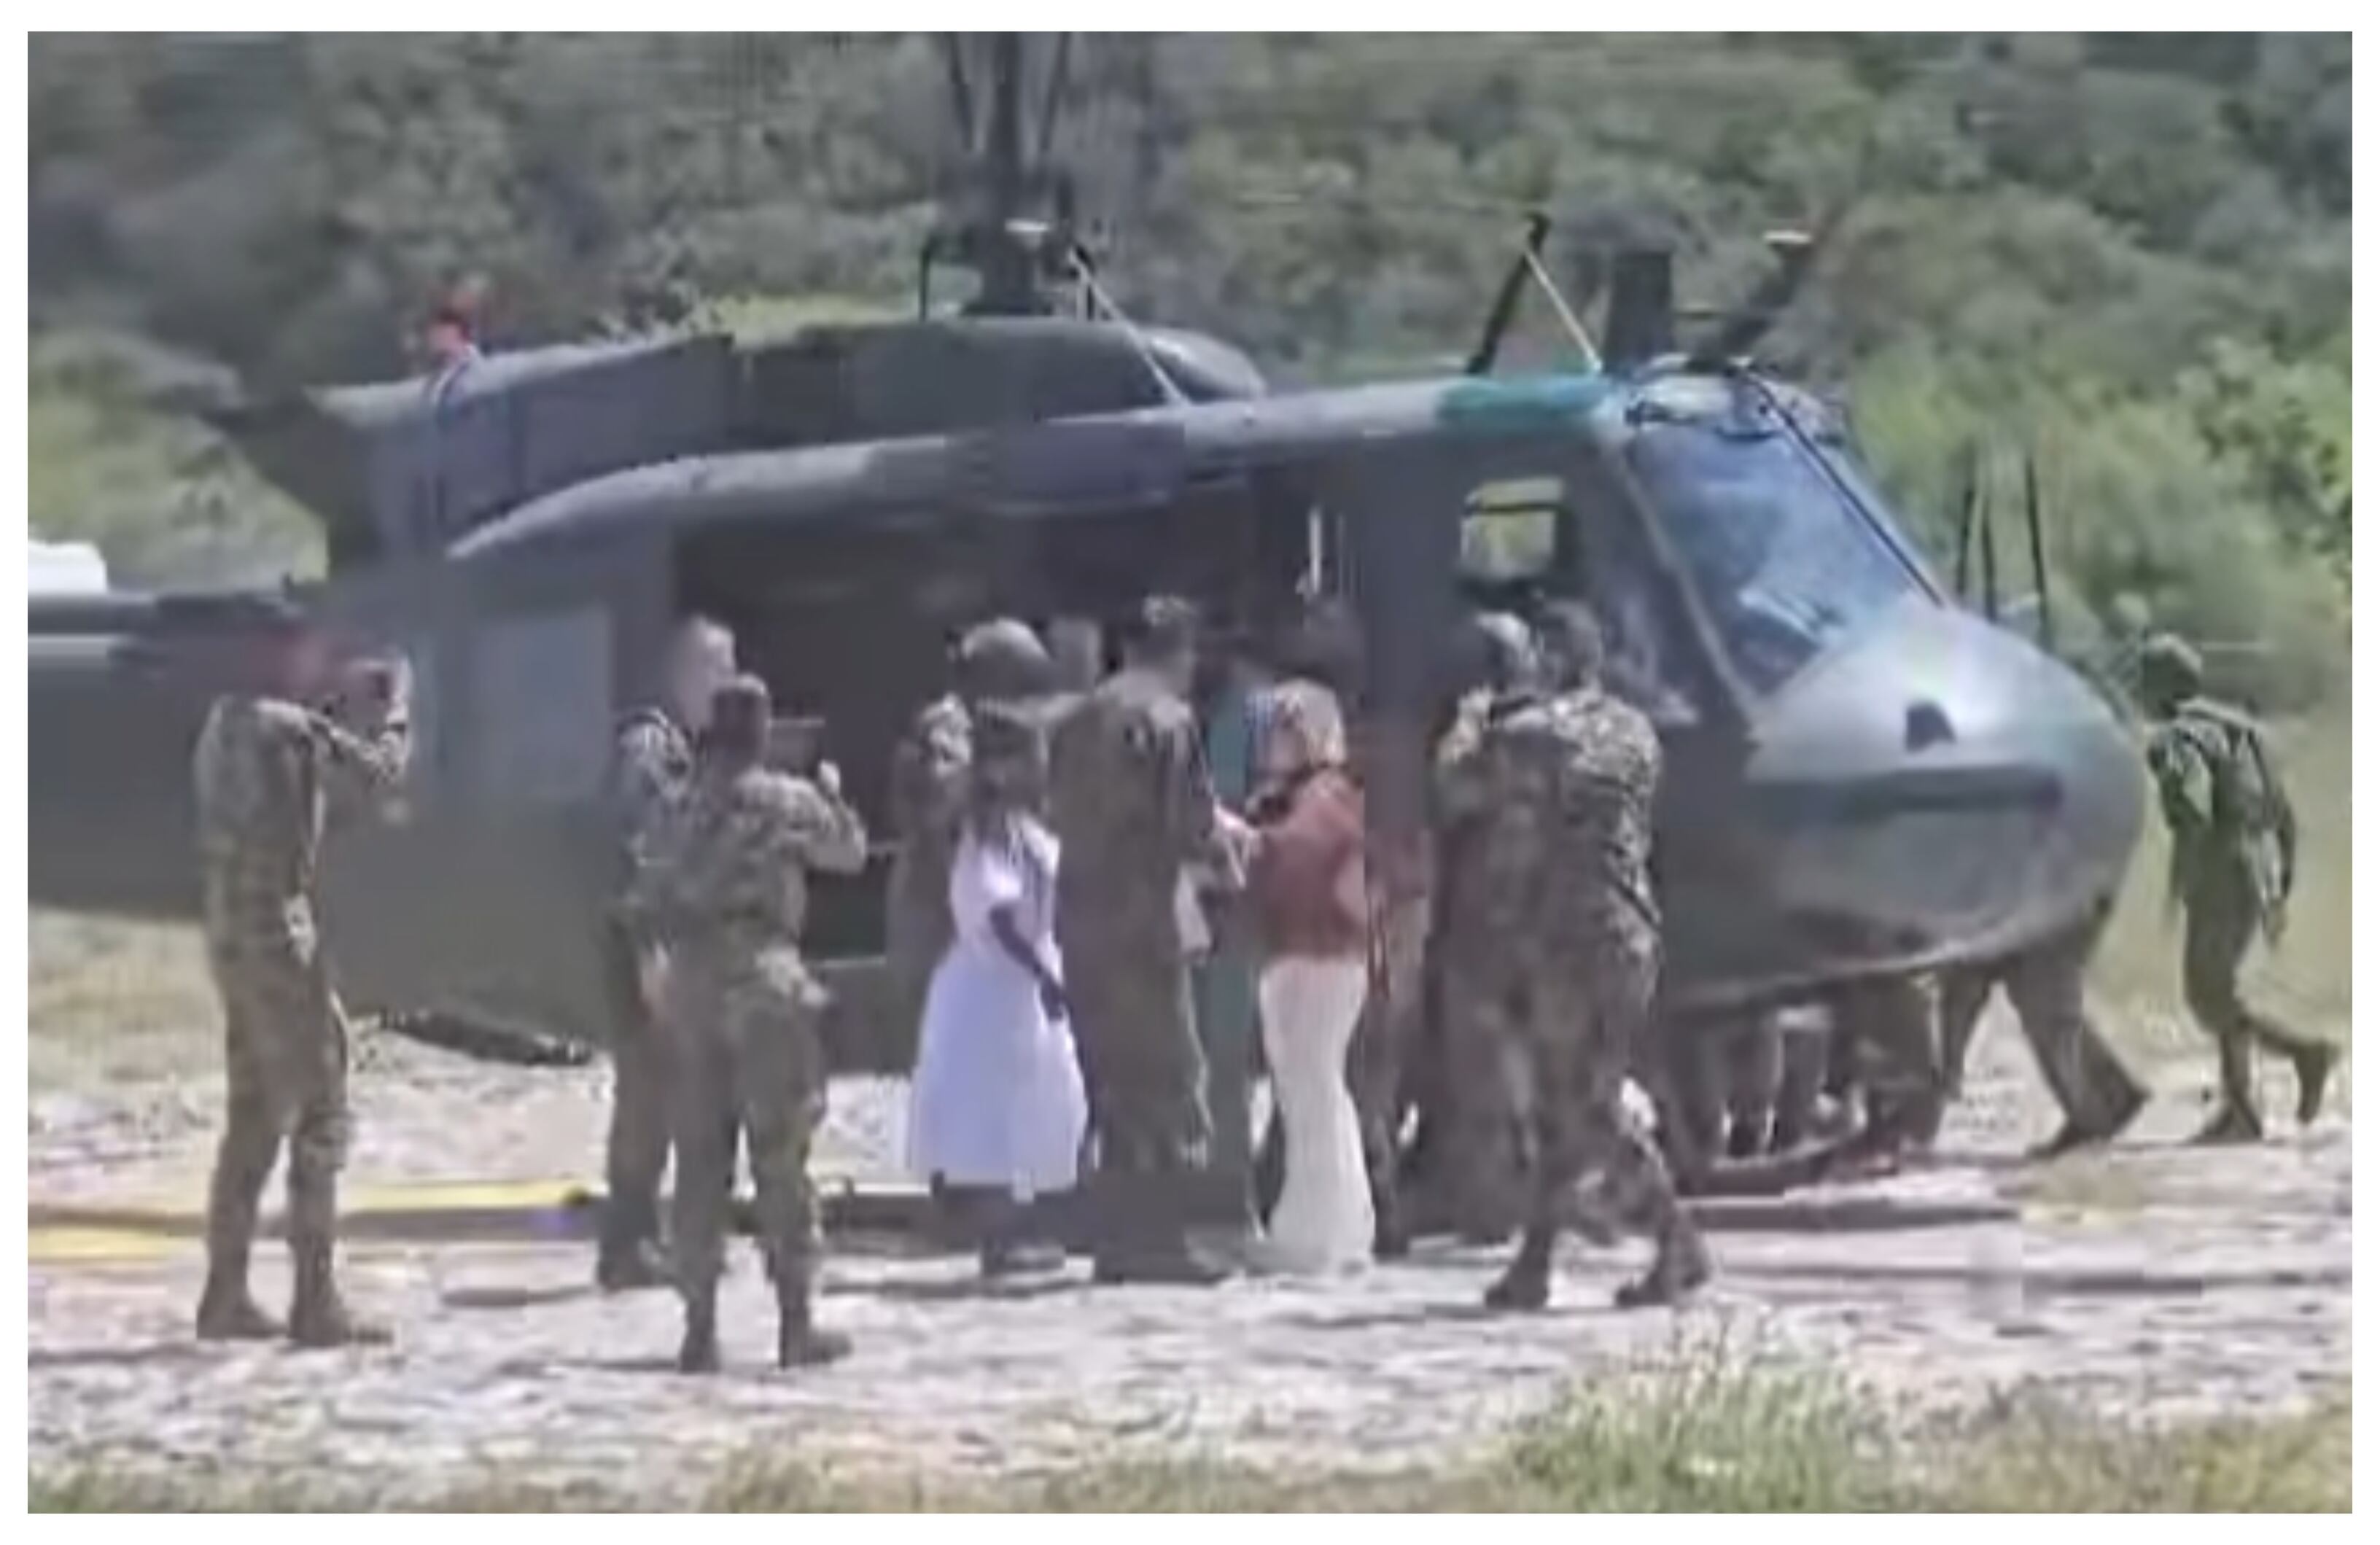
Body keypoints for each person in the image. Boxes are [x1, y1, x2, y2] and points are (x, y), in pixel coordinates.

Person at [1473, 600, 1709, 1312]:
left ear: (1550, 659)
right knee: (1565, 1096)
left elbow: (1481, 800)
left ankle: (1679, 1241)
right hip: (1632, 929)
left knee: (1585, 1102)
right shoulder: (1637, 731)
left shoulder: (1534, 733)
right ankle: (1536, 1260)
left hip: (1568, 934)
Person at [631, 675, 869, 1373]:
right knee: (779, 1152)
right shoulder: (784, 799)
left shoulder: (676, 806)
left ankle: (698, 1327)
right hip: (764, 977)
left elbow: (642, 894)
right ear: (762, 732)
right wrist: (827, 787)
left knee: (700, 1155)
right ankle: (796, 1321)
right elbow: (849, 851)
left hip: (693, 981)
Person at [192, 613, 412, 1346]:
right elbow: (380, 774)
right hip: (279, 935)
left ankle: (224, 1294)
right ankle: (315, 1302)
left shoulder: (223, 726)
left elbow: (300, 809)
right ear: (281, 653)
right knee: (322, 1107)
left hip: (230, 934)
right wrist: (395, 707)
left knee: (253, 1113)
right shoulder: (288, 729)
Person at [1050, 595, 1249, 1285]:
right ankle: (1160, 1238)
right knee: (1167, 1076)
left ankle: (1116, 1234)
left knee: (1110, 1079)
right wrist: (1230, 866)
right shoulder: (1168, 718)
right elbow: (1193, 826)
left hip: (1080, 918)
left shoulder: (1076, 718)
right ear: (1180, 651)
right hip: (1143, 923)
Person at [907, 700, 1087, 1277]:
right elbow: (1000, 911)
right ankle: (998, 1234)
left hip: (1017, 981)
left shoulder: (1020, 827)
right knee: (993, 1111)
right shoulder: (989, 832)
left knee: (1028, 1104)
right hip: (995, 985)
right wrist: (1044, 972)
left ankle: (1017, 1223)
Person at [2137, 634, 2334, 1142]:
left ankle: (2301, 1058)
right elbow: (2284, 813)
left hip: (2221, 867)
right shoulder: (2246, 730)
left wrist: (2183, 878)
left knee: (2207, 993)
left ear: (2161, 685)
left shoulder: (2178, 738)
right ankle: (2242, 1107)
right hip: (2258, 863)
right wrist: (2279, 880)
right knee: (2220, 987)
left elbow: (2193, 812)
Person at [597, 615, 736, 1291]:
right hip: (643, 946)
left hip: (662, 941)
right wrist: (651, 953)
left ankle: (643, 1234)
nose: (726, 684)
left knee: (665, 1091)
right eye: (718, 669)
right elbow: (640, 854)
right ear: (686, 672)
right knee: (648, 1095)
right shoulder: (650, 749)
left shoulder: (681, 748)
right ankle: (628, 1240)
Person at [884, 619, 1054, 1083]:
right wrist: (1011, 775)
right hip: (940, 917)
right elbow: (950, 795)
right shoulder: (948, 725)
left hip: (971, 917)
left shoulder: (991, 729)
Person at [1243, 679, 1374, 1274]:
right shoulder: (1318, 793)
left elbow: (1299, 855)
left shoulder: (1326, 795)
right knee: (1318, 1092)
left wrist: (1243, 840)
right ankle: (1341, 1227)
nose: (1275, 742)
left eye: (1288, 730)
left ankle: (1313, 1234)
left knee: (1311, 1094)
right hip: (1317, 958)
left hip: (1315, 959)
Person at [1423, 612, 1541, 1244]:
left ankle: (1497, 1206)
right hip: (1547, 920)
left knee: (1482, 1070)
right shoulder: (1572, 725)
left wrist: (1465, 724)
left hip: (1489, 924)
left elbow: (1452, 793)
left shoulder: (1499, 737)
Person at [1934, 900, 2148, 1158]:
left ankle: (2097, 1111)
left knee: (2045, 1003)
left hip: (2033, 901)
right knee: (2041, 1002)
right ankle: (2107, 1095)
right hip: (2017, 898)